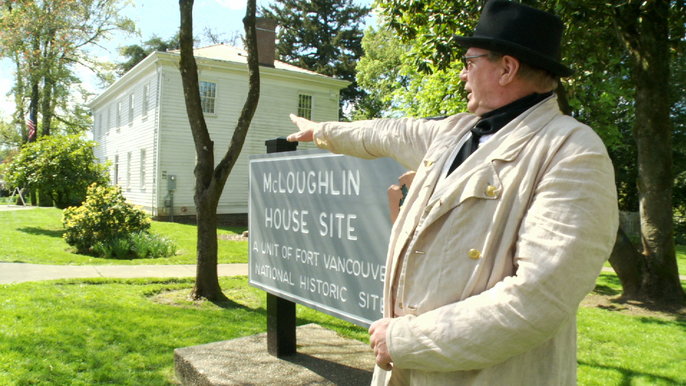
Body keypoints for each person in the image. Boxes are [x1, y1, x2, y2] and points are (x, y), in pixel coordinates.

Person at [288, 1, 618, 384]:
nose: (462, 75)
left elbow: (541, 298)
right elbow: (385, 132)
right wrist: (323, 131)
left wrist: (406, 341)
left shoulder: (573, 152)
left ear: (507, 68)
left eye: (470, 62)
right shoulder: (456, 132)